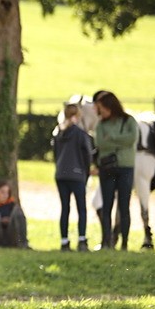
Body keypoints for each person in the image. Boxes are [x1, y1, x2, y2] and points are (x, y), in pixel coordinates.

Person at [91, 90, 139, 250]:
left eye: (101, 108)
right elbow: (101, 144)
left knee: (124, 206)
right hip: (107, 168)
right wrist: (119, 141)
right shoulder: (101, 125)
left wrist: (111, 139)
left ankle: (124, 242)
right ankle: (106, 242)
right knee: (107, 206)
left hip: (125, 168)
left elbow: (131, 139)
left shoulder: (128, 121)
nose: (100, 112)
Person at [53, 102, 94, 251]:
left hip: (61, 175)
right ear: (77, 116)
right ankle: (82, 240)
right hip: (77, 175)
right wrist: (86, 172)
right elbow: (87, 156)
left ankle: (64, 241)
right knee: (81, 208)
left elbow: (55, 154)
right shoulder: (80, 134)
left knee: (65, 208)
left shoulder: (58, 132)